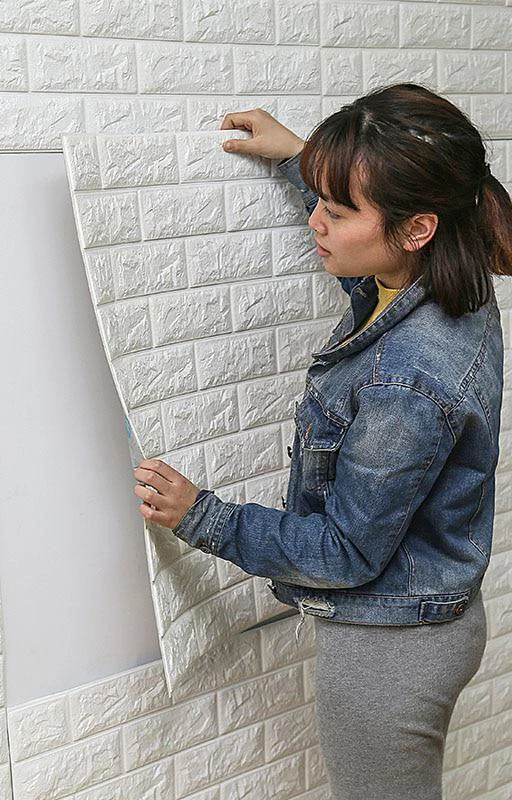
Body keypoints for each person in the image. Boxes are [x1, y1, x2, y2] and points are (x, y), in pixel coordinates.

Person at [131, 83, 512, 800]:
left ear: (417, 227)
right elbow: (373, 259)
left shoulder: (408, 378)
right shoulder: (440, 280)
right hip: (425, 623)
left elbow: (345, 551)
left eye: (337, 211)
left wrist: (202, 516)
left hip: (389, 658)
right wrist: (301, 159)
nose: (318, 223)